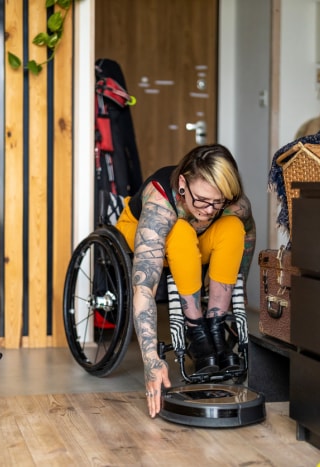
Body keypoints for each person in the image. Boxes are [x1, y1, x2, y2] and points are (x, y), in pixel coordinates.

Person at [115, 144, 256, 418]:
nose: (209, 209)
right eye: (202, 200)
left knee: (232, 226)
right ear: (183, 184)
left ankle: (215, 325)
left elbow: (248, 234)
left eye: (218, 202)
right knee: (179, 231)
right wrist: (150, 361)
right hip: (144, 232)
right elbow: (144, 287)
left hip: (196, 238)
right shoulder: (159, 205)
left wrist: (242, 287)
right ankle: (195, 328)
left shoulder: (230, 205)